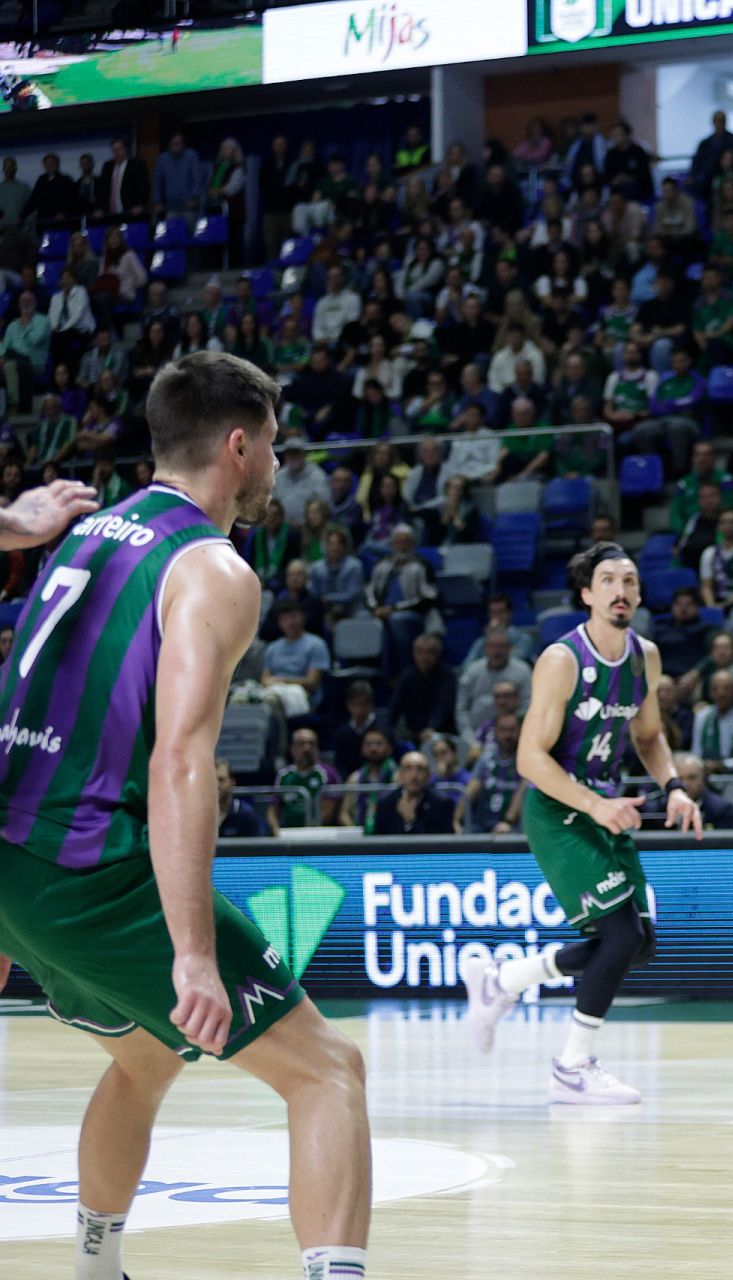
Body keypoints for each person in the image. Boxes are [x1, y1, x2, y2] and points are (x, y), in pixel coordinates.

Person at [0, 353, 372, 1279]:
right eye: (276, 449)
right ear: (239, 448)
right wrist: (192, 953)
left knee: (147, 1058)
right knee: (328, 1072)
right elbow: (179, 761)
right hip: (86, 869)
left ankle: (95, 1269)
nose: (280, 467)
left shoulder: (83, 532)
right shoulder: (213, 568)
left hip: (8, 858)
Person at [461, 543, 704, 1106]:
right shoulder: (561, 659)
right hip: (557, 810)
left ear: (639, 595)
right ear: (587, 595)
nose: (621, 590)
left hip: (603, 805)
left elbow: (647, 737)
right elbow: (529, 758)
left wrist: (674, 788)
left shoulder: (645, 655)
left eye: (630, 580)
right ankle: (572, 1066)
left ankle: (505, 981)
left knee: (638, 945)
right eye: (608, 580)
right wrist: (594, 806)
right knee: (619, 936)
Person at [371, 751, 456, 835]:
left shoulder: (442, 804)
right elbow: (378, 842)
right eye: (408, 768)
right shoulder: (385, 803)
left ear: (428, 775)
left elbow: (443, 845)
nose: (414, 775)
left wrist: (411, 821)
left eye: (420, 769)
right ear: (400, 774)